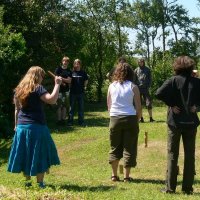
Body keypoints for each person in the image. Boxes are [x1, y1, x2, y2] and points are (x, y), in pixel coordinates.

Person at [7, 66, 62, 188]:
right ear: (38, 76)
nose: (42, 78)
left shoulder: (19, 89)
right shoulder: (38, 88)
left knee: (25, 154)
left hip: (22, 128)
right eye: (42, 76)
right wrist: (57, 84)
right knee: (40, 154)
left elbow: (17, 109)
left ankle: (27, 183)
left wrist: (16, 125)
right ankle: (40, 184)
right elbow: (52, 100)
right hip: (36, 127)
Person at [156, 56, 200, 194]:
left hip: (174, 123)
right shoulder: (197, 82)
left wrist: (171, 105)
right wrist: (197, 107)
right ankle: (187, 188)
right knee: (190, 155)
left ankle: (170, 188)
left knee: (172, 154)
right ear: (190, 67)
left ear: (177, 67)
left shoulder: (173, 80)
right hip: (191, 123)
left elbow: (158, 93)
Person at [107, 62, 141, 182]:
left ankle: (114, 175)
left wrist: (113, 116)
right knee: (129, 147)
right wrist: (136, 120)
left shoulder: (111, 86)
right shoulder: (133, 86)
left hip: (115, 118)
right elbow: (138, 107)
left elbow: (109, 105)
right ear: (131, 73)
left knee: (114, 147)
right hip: (130, 118)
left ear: (116, 73)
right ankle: (126, 177)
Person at [68, 59, 88, 127]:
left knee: (81, 108)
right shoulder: (71, 72)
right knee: (71, 108)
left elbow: (86, 79)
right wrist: (70, 87)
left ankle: (81, 122)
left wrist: (85, 86)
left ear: (80, 64)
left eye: (78, 63)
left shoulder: (83, 72)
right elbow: (69, 81)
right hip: (73, 92)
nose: (77, 65)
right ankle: (70, 121)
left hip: (81, 93)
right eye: (75, 63)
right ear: (74, 64)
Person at [134, 58, 155, 122]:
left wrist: (148, 86)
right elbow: (134, 80)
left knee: (148, 103)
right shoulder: (136, 70)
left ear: (143, 62)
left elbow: (150, 79)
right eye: (139, 62)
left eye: (141, 62)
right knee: (139, 104)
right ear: (138, 63)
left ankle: (151, 118)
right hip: (138, 89)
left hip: (146, 89)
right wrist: (135, 87)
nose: (140, 63)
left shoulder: (147, 69)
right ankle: (141, 118)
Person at [55, 56, 72, 125]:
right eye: (64, 61)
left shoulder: (69, 71)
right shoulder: (58, 69)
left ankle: (63, 120)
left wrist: (61, 78)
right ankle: (59, 120)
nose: (65, 62)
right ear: (62, 61)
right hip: (58, 90)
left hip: (66, 90)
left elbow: (69, 81)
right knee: (59, 105)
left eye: (66, 61)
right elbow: (56, 78)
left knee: (65, 106)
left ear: (68, 63)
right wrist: (62, 80)